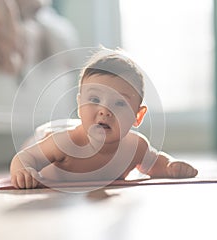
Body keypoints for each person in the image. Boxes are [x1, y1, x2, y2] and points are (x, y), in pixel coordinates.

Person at [10, 47, 198, 189]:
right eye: (94, 99)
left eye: (119, 103)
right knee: (36, 143)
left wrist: (171, 166)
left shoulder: (135, 146)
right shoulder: (63, 143)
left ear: (137, 116)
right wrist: (24, 170)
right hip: (45, 135)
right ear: (79, 104)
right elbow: (25, 158)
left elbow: (156, 164)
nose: (105, 110)